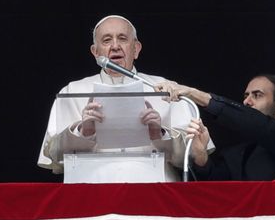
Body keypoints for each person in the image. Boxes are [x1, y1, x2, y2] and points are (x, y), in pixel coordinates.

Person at [38, 15, 206, 180]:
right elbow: (53, 156)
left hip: (155, 193)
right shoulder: (72, 91)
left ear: (136, 49)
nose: (115, 46)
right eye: (106, 40)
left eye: (123, 38)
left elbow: (194, 158)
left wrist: (159, 134)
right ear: (95, 52)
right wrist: (83, 132)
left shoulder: (166, 89)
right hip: (91, 192)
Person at [155, 75, 275, 181]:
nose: (246, 102)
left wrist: (193, 93)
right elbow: (216, 184)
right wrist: (201, 156)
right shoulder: (239, 152)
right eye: (246, 96)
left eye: (257, 95)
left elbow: (257, 124)